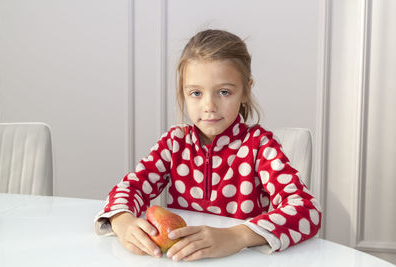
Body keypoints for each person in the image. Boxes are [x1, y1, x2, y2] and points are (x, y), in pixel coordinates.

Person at [94, 29, 322, 262]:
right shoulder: (174, 143)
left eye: (224, 92)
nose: (209, 105)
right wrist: (122, 221)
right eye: (196, 93)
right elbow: (131, 187)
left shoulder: (260, 146)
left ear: (246, 90)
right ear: (182, 93)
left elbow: (307, 211)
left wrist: (237, 236)